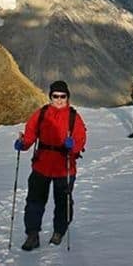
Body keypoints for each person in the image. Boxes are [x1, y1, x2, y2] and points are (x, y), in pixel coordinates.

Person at [14, 80, 87, 251]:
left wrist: (73, 145)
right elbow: (30, 135)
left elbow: (81, 139)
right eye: (56, 96)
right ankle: (32, 234)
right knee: (34, 202)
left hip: (65, 167)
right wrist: (23, 143)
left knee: (63, 202)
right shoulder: (41, 114)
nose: (59, 99)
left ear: (67, 97)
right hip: (42, 165)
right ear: (50, 97)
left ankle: (59, 231)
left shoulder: (73, 117)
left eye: (63, 96)